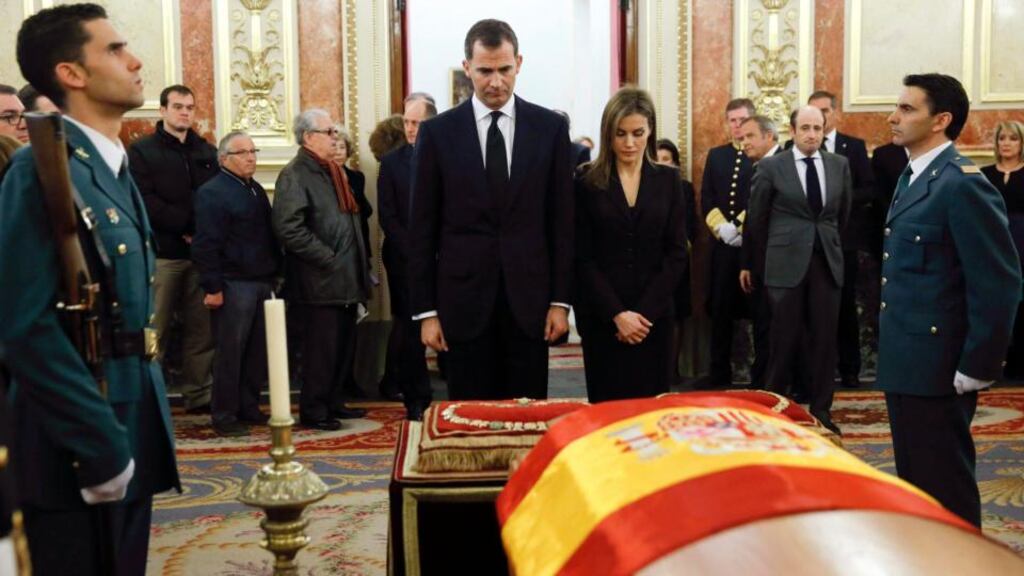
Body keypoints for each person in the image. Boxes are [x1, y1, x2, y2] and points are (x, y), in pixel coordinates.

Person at [0, 4, 180, 573]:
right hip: (77, 438)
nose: (135, 60)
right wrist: (98, 444)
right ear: (71, 74)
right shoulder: (40, 171)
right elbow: (24, 327)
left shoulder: (108, 163)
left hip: (131, 411)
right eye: (113, 49)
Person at [878, 73, 1021, 527]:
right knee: (917, 489)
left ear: (941, 120)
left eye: (906, 109)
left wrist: (979, 365)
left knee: (946, 488)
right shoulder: (915, 176)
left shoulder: (962, 184)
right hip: (906, 360)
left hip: (941, 368)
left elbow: (998, 283)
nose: (892, 117)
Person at [408, 19, 573, 400]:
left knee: (527, 418)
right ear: (467, 67)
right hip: (462, 304)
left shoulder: (549, 129)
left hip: (530, 304)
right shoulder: (437, 134)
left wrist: (560, 302)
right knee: (470, 417)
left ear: (519, 63)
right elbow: (422, 231)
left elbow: (562, 224)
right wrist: (426, 312)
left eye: (504, 70)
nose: (495, 81)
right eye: (484, 71)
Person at [575, 88, 688, 402]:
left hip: (654, 318)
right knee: (608, 414)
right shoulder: (586, 181)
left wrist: (643, 313)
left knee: (652, 413)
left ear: (650, 130)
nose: (629, 143)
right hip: (603, 318)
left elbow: (677, 252)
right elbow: (582, 257)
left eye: (638, 133)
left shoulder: (669, 180)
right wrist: (617, 314)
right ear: (608, 133)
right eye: (620, 134)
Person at [745, 106, 852, 434]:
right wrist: (761, 263)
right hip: (784, 266)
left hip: (826, 264)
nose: (812, 134)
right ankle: (775, 409)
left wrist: (828, 245)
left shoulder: (839, 165)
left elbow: (843, 215)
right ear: (792, 131)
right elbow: (757, 220)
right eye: (805, 127)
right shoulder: (771, 166)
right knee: (782, 339)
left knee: (824, 340)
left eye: (817, 128)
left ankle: (822, 409)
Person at [273, 109, 370, 430]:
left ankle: (333, 401)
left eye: (334, 132)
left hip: (343, 278)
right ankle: (314, 410)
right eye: (328, 132)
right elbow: (289, 228)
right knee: (322, 349)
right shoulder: (296, 175)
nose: (335, 137)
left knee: (341, 347)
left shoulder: (332, 171)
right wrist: (328, 258)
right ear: (308, 137)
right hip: (319, 281)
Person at [129, 84, 219, 414]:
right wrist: (185, 227)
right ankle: (149, 398)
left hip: (201, 256)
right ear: (163, 110)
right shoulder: (142, 151)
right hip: (164, 254)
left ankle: (199, 395)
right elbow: (144, 200)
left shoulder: (207, 152)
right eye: (178, 106)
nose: (184, 112)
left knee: (202, 331)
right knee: (157, 329)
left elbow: (214, 197)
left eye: (190, 107)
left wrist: (199, 231)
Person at [192, 131, 280, 437]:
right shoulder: (212, 192)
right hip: (232, 283)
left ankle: (248, 405)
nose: (251, 157)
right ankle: (225, 414)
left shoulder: (253, 188)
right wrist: (212, 287)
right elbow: (205, 245)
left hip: (261, 280)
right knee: (231, 352)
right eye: (243, 153)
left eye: (253, 151)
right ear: (224, 159)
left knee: (257, 350)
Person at [806, 91, 876, 389]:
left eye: (823, 111)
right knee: (810, 308)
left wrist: (836, 200)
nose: (818, 118)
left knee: (844, 306)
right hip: (808, 243)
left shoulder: (853, 147)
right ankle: (814, 370)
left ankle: (849, 369)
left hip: (843, 240)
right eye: (813, 113)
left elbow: (869, 190)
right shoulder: (796, 148)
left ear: (834, 114)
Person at [701, 98, 769, 389]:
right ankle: (718, 375)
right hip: (723, 249)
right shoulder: (717, 156)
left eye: (743, 120)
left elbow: (760, 197)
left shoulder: (762, 156)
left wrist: (742, 227)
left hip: (754, 248)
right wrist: (723, 229)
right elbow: (707, 197)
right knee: (720, 312)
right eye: (732, 120)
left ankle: (760, 376)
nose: (737, 125)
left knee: (760, 312)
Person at [379, 92, 436, 419]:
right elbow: (388, 216)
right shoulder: (392, 161)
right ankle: (416, 399)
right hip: (403, 258)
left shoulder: (449, 155)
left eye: (417, 122)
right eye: (407, 121)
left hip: (443, 257)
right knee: (411, 327)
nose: (410, 128)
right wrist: (415, 251)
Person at [981, 121, 1024, 380]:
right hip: (993, 246)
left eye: (1013, 138)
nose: (1006, 143)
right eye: (1002, 138)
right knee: (994, 306)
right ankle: (993, 363)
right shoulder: (984, 174)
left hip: (1023, 246)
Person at [655, 138, 697, 383]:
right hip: (651, 265)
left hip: (676, 262)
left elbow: (688, 226)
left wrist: (675, 253)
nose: (662, 165)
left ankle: (672, 369)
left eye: (666, 160)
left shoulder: (684, 187)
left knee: (677, 316)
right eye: (657, 159)